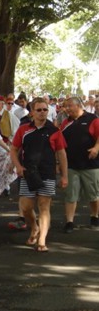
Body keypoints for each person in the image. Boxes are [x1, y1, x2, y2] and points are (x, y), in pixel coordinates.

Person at [10, 98, 68, 252]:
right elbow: (14, 149)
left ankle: (42, 239)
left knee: (44, 205)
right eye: (39, 110)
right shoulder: (23, 129)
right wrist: (18, 166)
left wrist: (64, 176)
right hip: (27, 172)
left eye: (45, 110)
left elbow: (61, 153)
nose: (42, 113)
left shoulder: (55, 130)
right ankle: (34, 227)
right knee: (27, 207)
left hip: (47, 173)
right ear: (32, 112)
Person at [59, 96, 99, 233]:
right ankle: (70, 222)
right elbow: (60, 144)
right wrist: (59, 162)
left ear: (78, 106)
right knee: (71, 194)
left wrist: (96, 148)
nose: (67, 109)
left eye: (70, 106)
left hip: (90, 164)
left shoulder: (92, 119)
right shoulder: (65, 123)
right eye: (66, 106)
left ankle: (95, 216)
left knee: (93, 194)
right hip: (71, 165)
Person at [0, 94, 20, 196]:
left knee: (5, 165)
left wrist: (12, 141)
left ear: (2, 103)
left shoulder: (9, 115)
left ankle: (6, 185)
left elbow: (16, 129)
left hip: (5, 143)